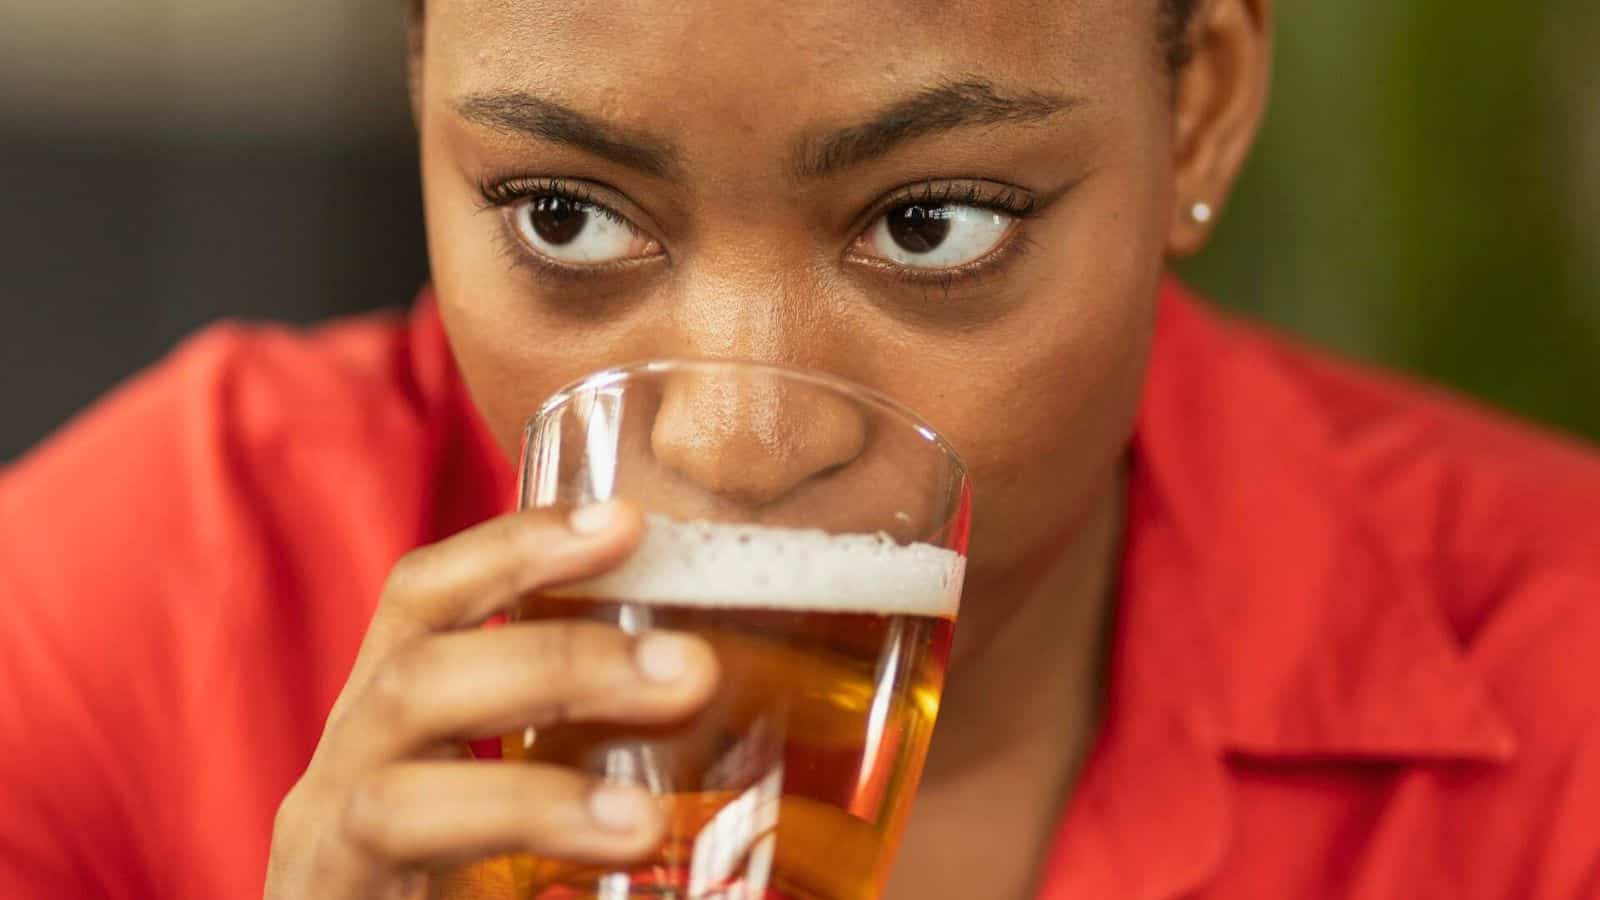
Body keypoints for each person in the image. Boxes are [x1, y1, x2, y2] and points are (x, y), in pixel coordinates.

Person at [3, 0, 1599, 897]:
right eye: (563, 215)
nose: (740, 440)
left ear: (1202, 109)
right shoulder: (110, 613)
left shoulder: (1559, 680)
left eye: (933, 224)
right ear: (427, 92)